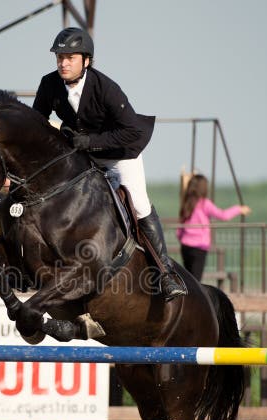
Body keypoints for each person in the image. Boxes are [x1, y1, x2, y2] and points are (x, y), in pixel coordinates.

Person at [32, 27, 186, 300]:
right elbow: (37, 125)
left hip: (121, 155)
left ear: (86, 60)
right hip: (82, 156)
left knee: (138, 204)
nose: (63, 62)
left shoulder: (105, 88)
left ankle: (166, 273)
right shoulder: (49, 84)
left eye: (70, 57)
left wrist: (89, 142)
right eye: (59, 57)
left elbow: (132, 131)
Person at [176, 174, 251, 281]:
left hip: (185, 246)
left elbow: (180, 224)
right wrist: (239, 209)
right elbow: (223, 215)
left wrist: (181, 238)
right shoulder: (204, 204)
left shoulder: (187, 202)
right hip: (199, 247)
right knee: (196, 282)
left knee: (188, 280)